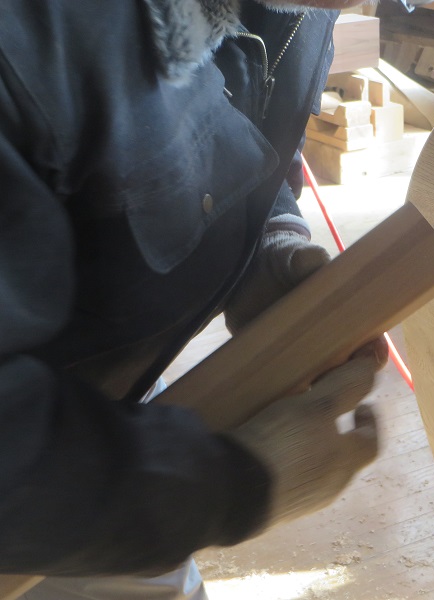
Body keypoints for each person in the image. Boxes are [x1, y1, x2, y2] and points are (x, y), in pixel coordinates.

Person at [0, 0, 387, 597]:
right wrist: (232, 488)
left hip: (110, 389)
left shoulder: (303, 6)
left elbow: (245, 103)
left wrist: (269, 237)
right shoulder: (23, 38)